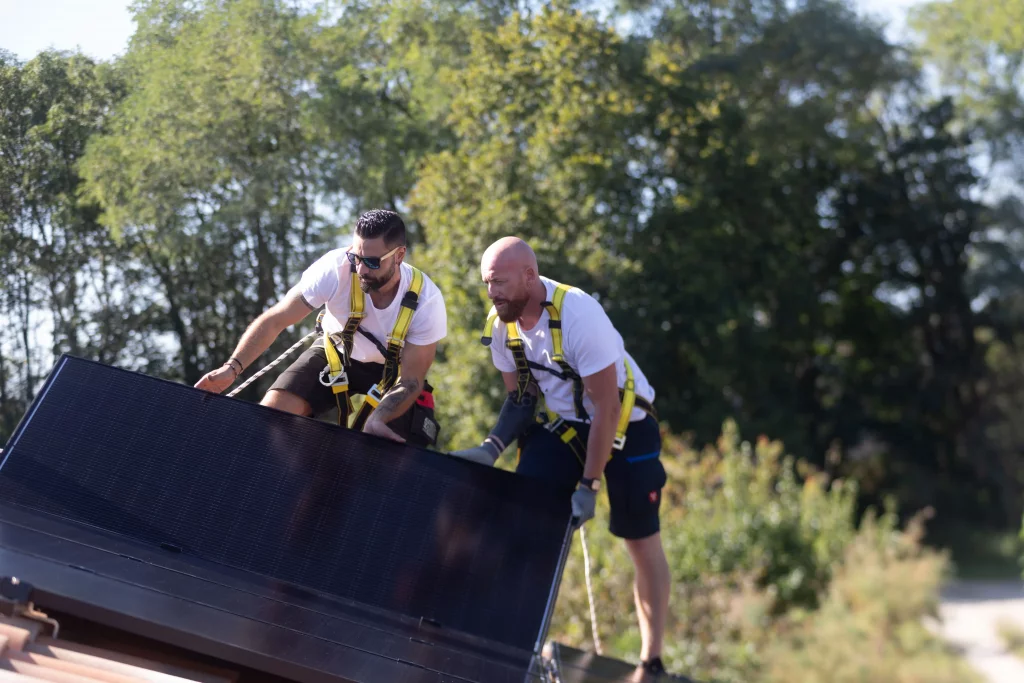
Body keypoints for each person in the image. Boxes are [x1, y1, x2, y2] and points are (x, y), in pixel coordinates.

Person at [450, 237, 677, 678]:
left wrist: (589, 486)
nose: (492, 293)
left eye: (499, 282)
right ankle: (511, 646)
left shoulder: (579, 317)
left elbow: (607, 407)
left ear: (530, 276)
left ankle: (651, 661)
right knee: (526, 512)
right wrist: (491, 448)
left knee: (640, 539)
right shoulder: (501, 325)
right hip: (571, 426)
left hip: (628, 424)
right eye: (486, 284)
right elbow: (521, 399)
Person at [195, 209, 447, 446]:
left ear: (399, 255)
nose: (360, 269)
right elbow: (275, 320)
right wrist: (232, 368)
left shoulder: (426, 301)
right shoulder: (334, 269)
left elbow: (411, 380)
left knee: (386, 450)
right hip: (335, 352)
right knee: (271, 420)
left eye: (371, 262)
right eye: (356, 257)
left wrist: (378, 418)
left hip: (394, 373)